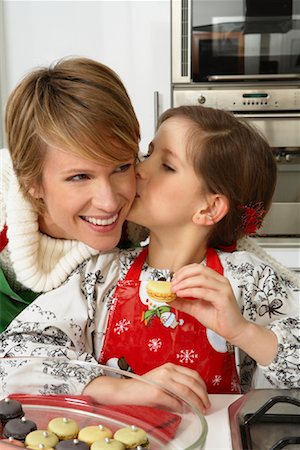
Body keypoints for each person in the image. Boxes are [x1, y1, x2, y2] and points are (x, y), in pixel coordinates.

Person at [0, 106, 299, 413]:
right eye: (149, 153)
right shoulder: (101, 275)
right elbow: (12, 359)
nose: (138, 168)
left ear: (209, 208)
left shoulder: (250, 280)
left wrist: (243, 332)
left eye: (167, 165)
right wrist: (117, 388)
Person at [0, 55, 141, 333]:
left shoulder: (153, 201)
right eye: (80, 177)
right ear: (32, 182)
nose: (109, 202)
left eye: (121, 167)